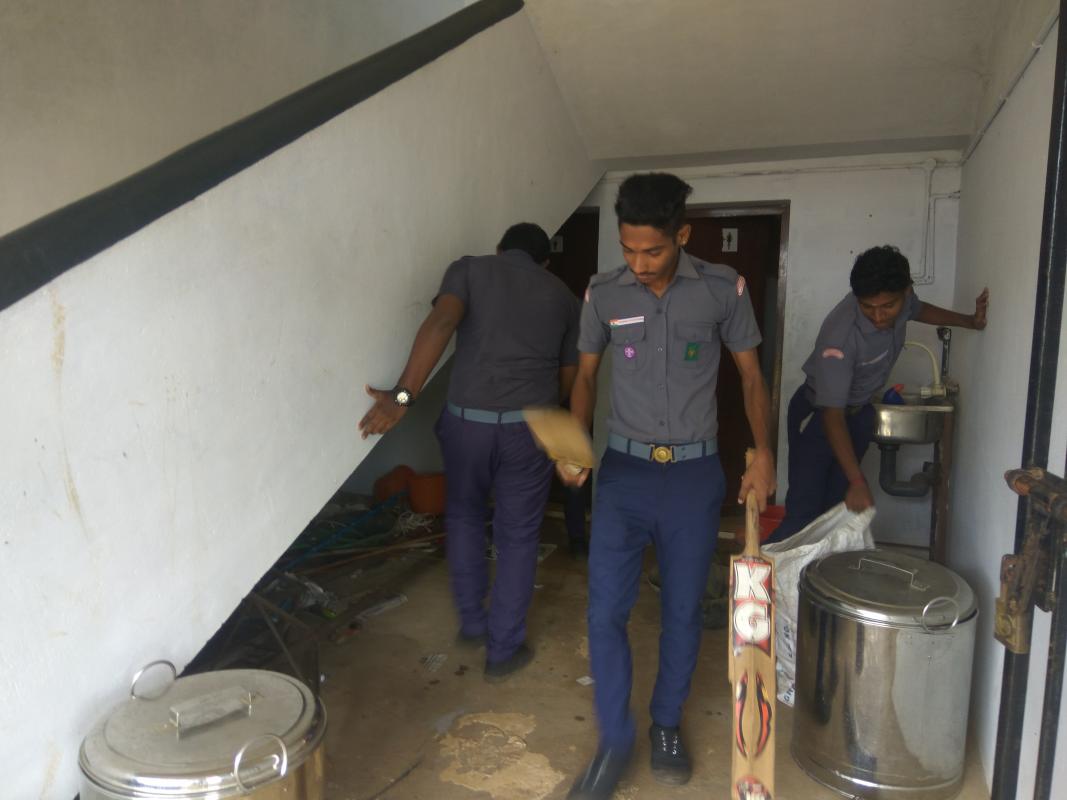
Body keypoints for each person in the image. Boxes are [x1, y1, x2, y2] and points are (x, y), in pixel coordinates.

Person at [559, 173, 776, 798]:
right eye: (629, 250)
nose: (640, 263)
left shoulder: (721, 290)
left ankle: (665, 725)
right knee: (605, 610)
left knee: (682, 609)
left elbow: (751, 378)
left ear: (682, 234)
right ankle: (614, 738)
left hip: (692, 476)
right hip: (624, 475)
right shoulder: (602, 294)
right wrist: (575, 444)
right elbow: (586, 378)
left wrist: (762, 452)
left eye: (652, 251)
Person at [358, 222, 580, 682]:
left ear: (500, 249)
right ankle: (503, 652)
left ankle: (472, 622)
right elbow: (568, 378)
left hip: (467, 424)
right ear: (545, 262)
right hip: (530, 428)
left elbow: (442, 322)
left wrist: (403, 399)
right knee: (518, 536)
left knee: (462, 515)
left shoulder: (469, 270)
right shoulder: (563, 296)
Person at [768, 244, 989, 543]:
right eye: (867, 307)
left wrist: (969, 321)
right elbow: (832, 414)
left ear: (907, 291)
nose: (878, 316)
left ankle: (815, 582)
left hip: (859, 414)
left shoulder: (905, 301)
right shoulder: (840, 338)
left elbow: (919, 310)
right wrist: (857, 480)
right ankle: (760, 580)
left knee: (836, 510)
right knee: (803, 515)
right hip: (819, 419)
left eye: (887, 306)